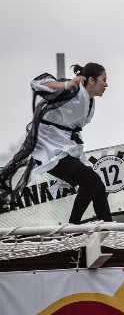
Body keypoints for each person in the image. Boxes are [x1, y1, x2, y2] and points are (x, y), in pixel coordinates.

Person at [0, 63, 112, 224]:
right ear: (92, 80)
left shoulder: (90, 101)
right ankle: (72, 229)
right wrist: (67, 84)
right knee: (91, 181)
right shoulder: (73, 90)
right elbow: (37, 83)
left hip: (66, 148)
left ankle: (108, 228)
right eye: (104, 80)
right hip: (48, 150)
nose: (107, 84)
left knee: (98, 187)